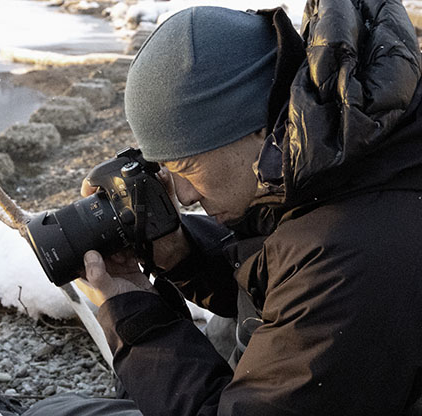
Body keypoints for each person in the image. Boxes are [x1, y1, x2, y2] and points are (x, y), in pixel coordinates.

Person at [22, 1, 422, 415]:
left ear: (258, 128)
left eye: (187, 165)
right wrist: (182, 254)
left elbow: (314, 281)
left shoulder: (348, 253)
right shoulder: (347, 151)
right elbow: (285, 268)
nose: (185, 195)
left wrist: (137, 320)